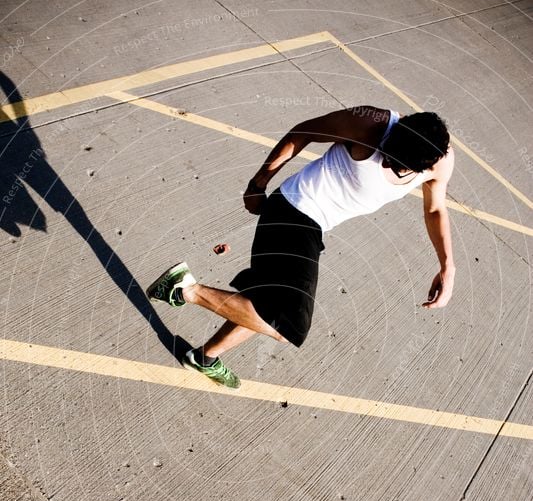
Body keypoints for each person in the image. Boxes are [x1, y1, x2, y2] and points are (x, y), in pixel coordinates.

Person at [146, 106, 455, 389]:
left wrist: (447, 266)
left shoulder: (440, 163)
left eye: (396, 165)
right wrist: (257, 185)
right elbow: (302, 132)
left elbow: (434, 210)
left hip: (316, 227)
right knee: (290, 326)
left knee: (269, 302)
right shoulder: (369, 123)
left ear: (424, 167)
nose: (384, 161)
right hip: (293, 208)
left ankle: (205, 358)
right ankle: (185, 289)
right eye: (386, 152)